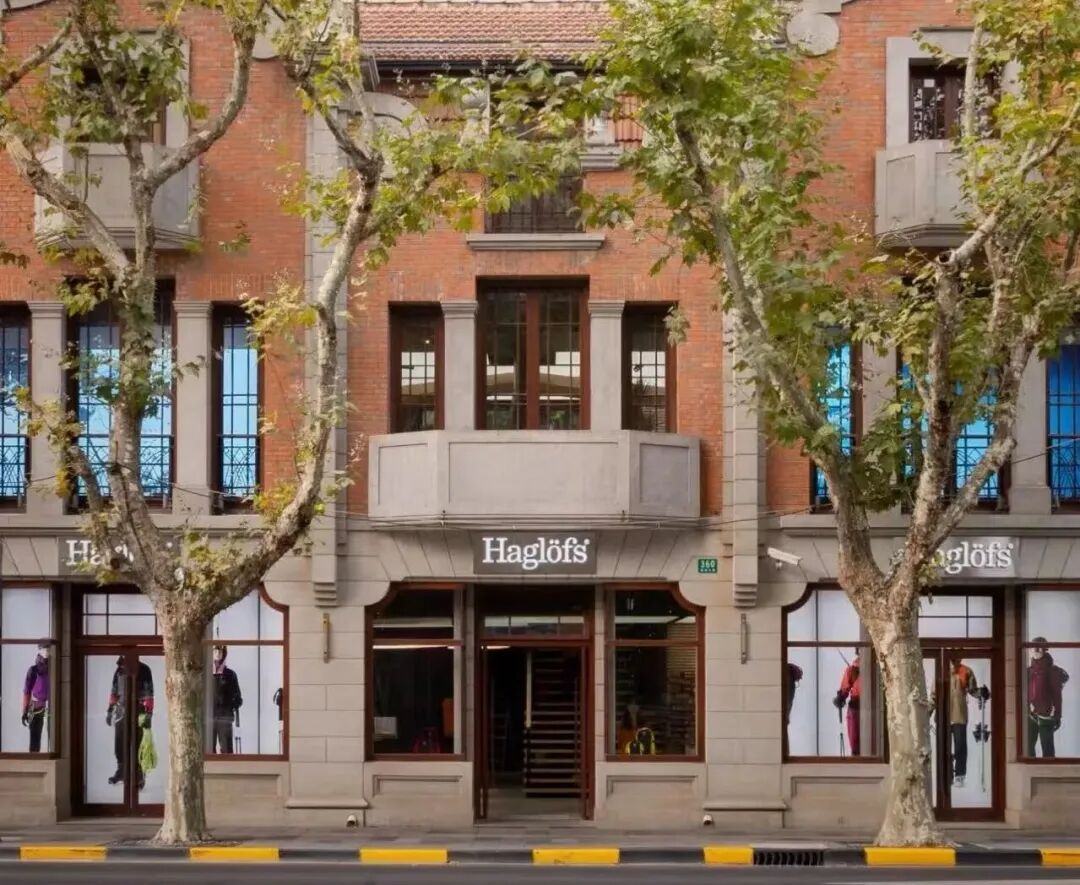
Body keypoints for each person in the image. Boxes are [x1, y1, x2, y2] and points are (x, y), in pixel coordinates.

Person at [106, 657, 154, 789]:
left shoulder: (144, 669)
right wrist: (110, 710)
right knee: (120, 743)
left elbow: (149, 693)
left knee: (139, 744)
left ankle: (139, 775)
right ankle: (121, 771)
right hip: (121, 712)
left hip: (139, 711)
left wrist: (148, 714)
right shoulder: (119, 670)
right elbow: (114, 691)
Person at [1028, 638, 1069, 758]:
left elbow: (1057, 695)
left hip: (1046, 716)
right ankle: (1030, 769)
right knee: (1027, 748)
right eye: (1033, 647)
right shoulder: (1029, 671)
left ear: (1045, 650)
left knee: (1047, 750)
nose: (1036, 650)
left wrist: (1057, 715)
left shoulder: (1052, 671)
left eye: (1039, 647)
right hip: (1031, 714)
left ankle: (1047, 770)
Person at [948, 659, 985, 788]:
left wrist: (982, 693)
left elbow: (972, 690)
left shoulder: (966, 671)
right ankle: (948, 775)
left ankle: (959, 775)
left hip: (959, 715)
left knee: (960, 747)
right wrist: (928, 711)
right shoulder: (941, 670)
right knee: (944, 748)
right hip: (943, 716)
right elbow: (934, 694)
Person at [211, 645, 243, 754]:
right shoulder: (206, 673)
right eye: (215, 650)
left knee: (227, 751)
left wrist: (230, 706)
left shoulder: (230, 674)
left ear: (224, 653)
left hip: (225, 718)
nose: (218, 653)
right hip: (208, 719)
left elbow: (238, 698)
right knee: (208, 751)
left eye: (220, 651)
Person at [21, 644, 50, 753]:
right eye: (44, 649)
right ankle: (34, 759)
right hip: (36, 708)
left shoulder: (54, 667)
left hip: (51, 706)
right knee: (35, 740)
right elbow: (27, 691)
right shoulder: (33, 670)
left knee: (51, 737)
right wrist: (25, 710)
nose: (46, 652)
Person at [833, 650, 861, 755]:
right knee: (855, 740)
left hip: (866, 708)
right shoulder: (852, 670)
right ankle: (856, 756)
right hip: (856, 707)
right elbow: (844, 689)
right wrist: (840, 697)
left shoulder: (854, 669)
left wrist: (841, 697)